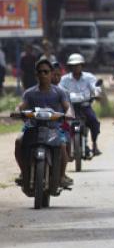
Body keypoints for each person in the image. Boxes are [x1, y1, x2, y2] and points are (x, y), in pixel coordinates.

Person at [14, 59, 74, 189]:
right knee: (19, 141)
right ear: (36, 74)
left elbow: (67, 106)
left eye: (46, 71)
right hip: (32, 126)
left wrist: (68, 113)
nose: (43, 74)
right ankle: (23, 172)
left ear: (51, 73)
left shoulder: (59, 92)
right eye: (40, 72)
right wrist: (17, 111)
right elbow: (21, 105)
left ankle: (62, 175)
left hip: (54, 127)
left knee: (63, 145)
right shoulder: (29, 93)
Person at [60, 53, 102, 157]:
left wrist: (96, 94)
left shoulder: (89, 77)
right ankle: (65, 147)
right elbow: (60, 89)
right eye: (73, 65)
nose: (76, 67)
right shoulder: (64, 79)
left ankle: (95, 144)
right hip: (70, 108)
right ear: (70, 67)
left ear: (82, 65)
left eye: (78, 65)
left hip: (85, 106)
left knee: (94, 121)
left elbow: (95, 87)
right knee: (61, 124)